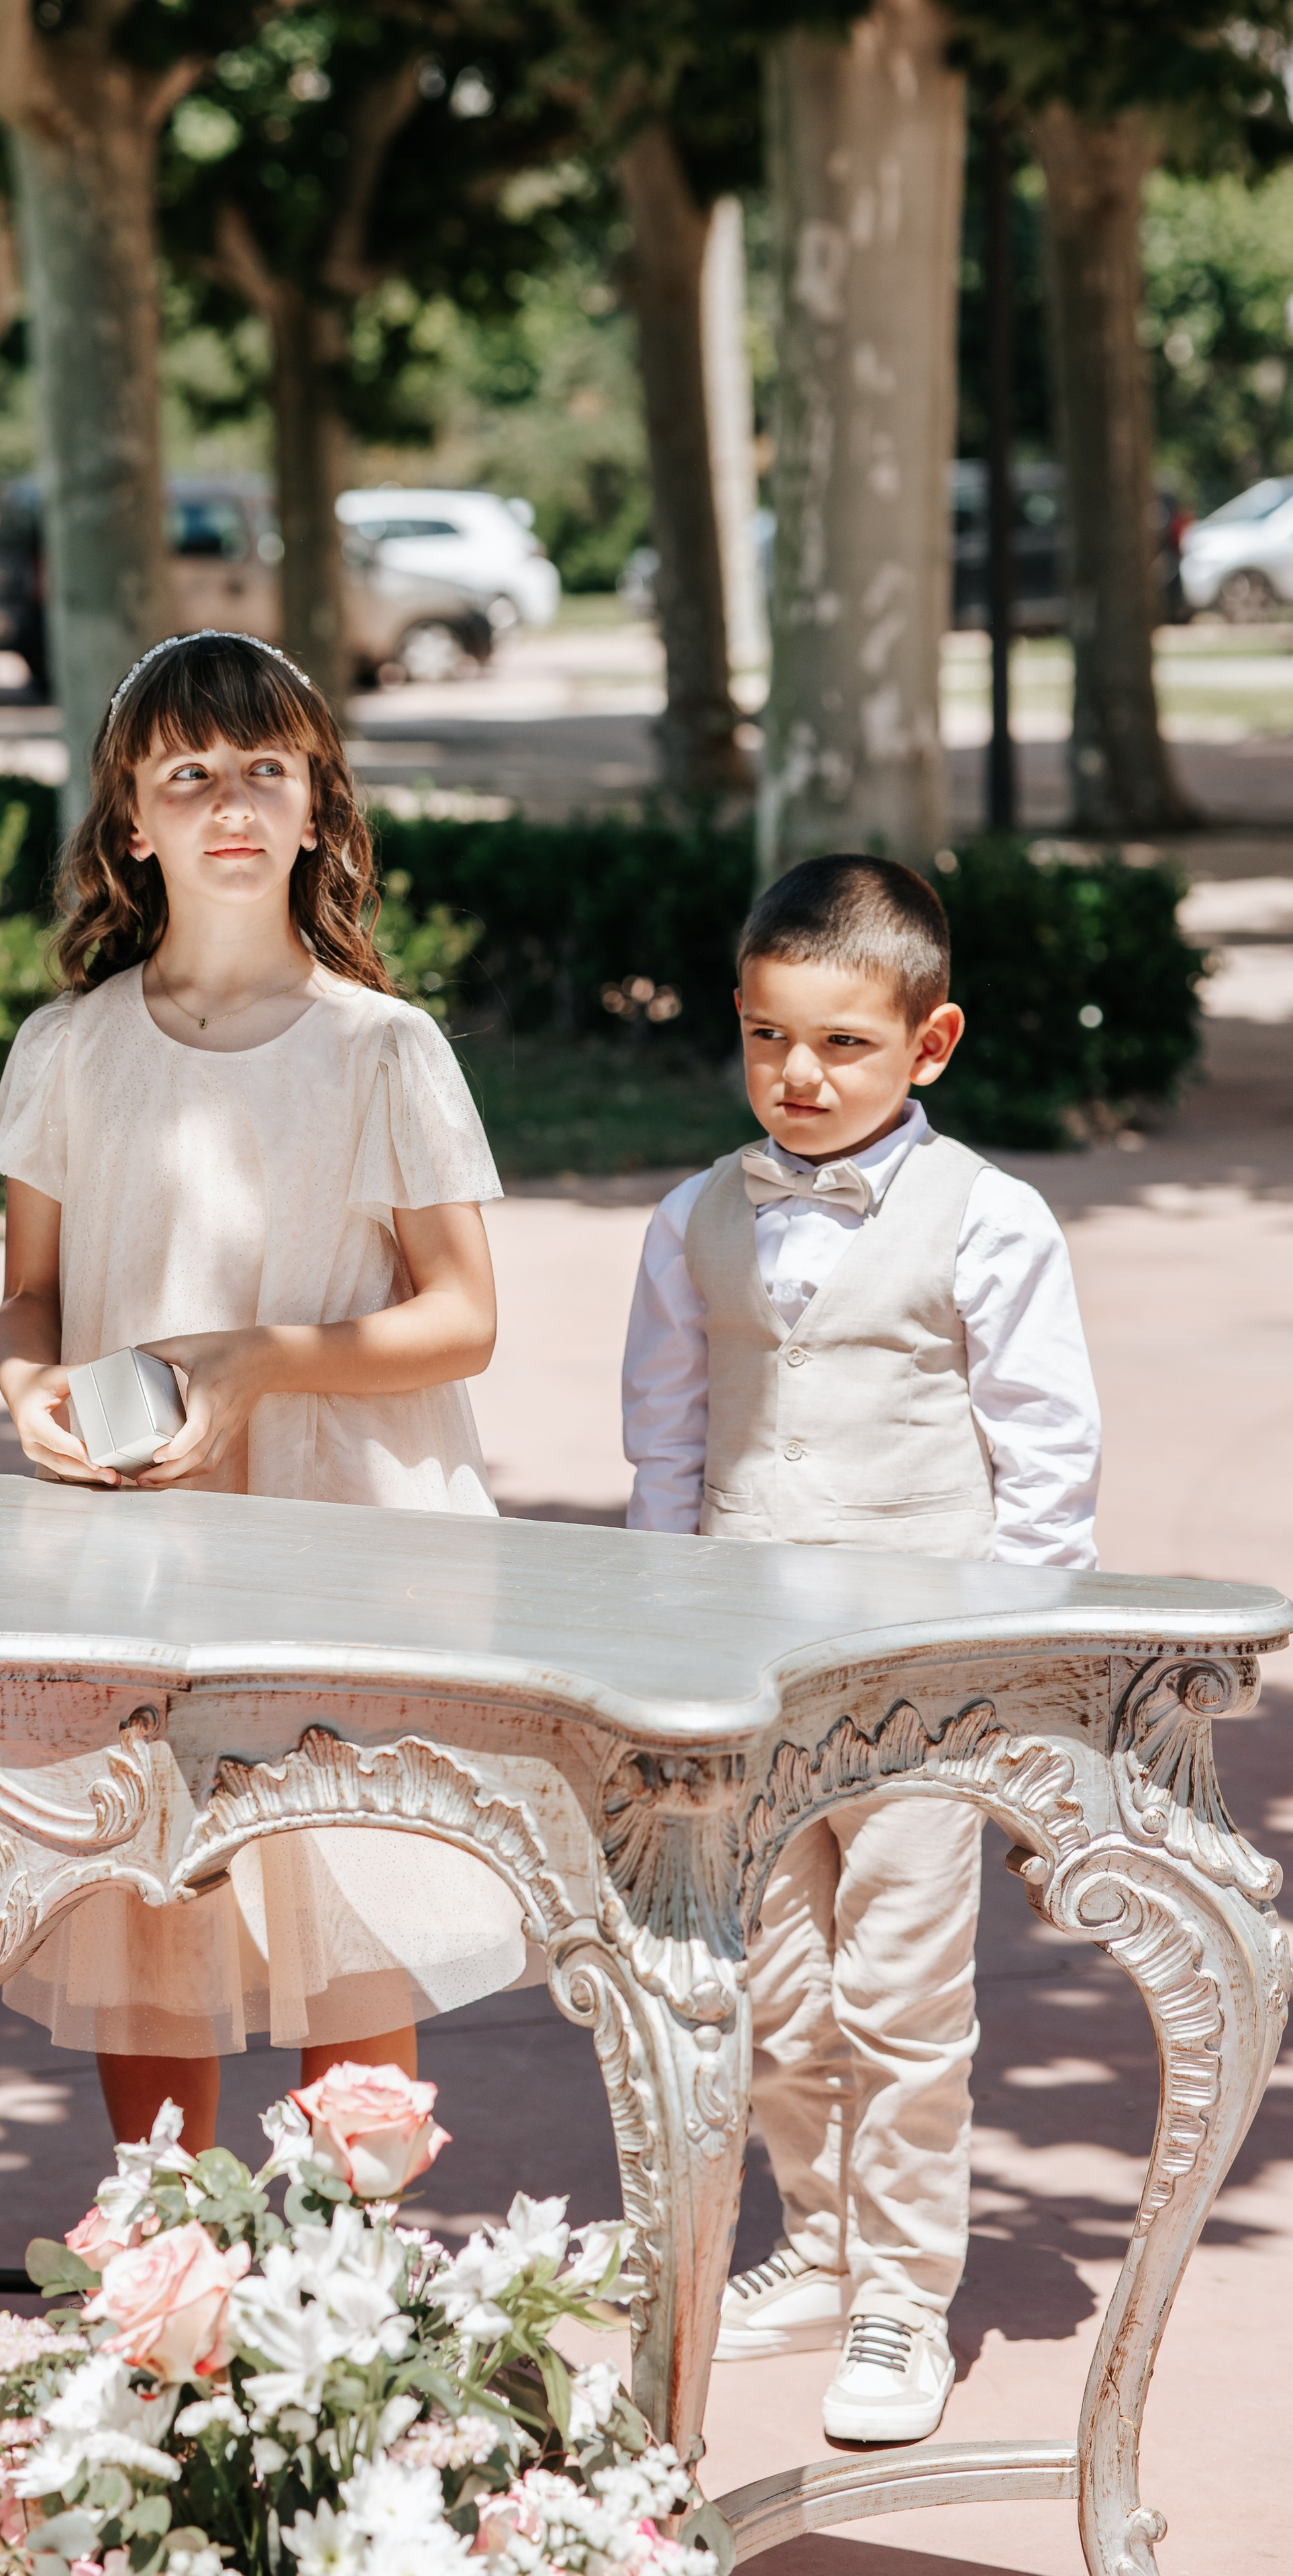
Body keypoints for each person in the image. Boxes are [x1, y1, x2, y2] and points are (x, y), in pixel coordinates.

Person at [0, 627, 526, 2153]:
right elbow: (29, 1299)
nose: (229, 800)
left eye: (263, 770)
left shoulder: (383, 1051)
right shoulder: (69, 1052)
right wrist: (30, 1391)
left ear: (316, 813)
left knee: (341, 1900)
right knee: (152, 1908)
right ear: (129, 824)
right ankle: (169, 2290)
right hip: (141, 1539)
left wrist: (259, 1361)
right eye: (186, 774)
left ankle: (352, 2309)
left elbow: (465, 1319)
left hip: (344, 1537)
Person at [621, 853, 1101, 2445]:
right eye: (766, 1039)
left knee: (902, 1998)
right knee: (769, 1982)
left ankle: (902, 2291)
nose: (797, 1076)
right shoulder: (694, 1219)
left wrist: (1020, 1678)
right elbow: (666, 1460)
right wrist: (655, 1662)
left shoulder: (993, 1221)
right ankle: (815, 2247)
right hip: (745, 1683)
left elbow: (1045, 1461)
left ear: (929, 1044)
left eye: (839, 1045)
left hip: (916, 1681)